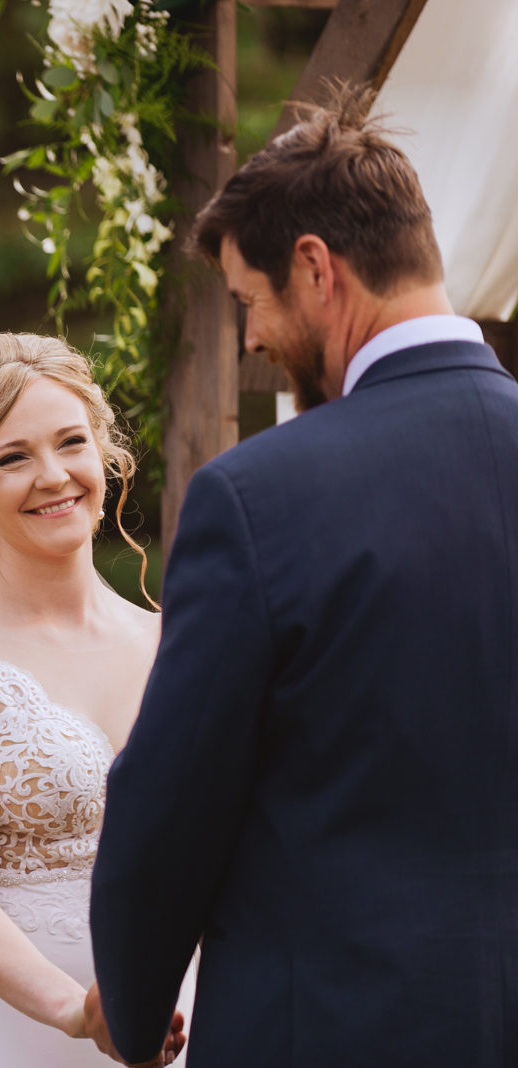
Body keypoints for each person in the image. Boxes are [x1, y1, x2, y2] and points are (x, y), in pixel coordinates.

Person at [88, 91, 518, 1067]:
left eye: (252, 300)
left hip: (334, 1024)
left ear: (317, 268)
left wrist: (136, 1002)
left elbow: (174, 794)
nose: (251, 336)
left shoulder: (259, 495)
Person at [0, 334, 188, 1068]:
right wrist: (77, 1013)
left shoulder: (175, 641)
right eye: (13, 458)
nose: (53, 476)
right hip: (16, 1029)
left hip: (178, 1008)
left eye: (71, 443)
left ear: (104, 455)